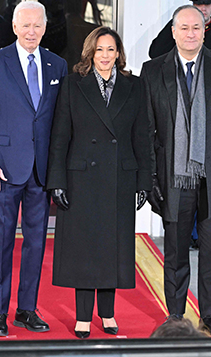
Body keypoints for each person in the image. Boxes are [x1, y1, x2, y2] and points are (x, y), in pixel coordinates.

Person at [141, 5, 211, 337]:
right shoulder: (152, 71)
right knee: (175, 251)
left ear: (205, 30)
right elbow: (146, 130)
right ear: (172, 32)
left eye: (196, 27)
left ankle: (210, 318)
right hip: (173, 176)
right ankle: (175, 316)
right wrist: (152, 178)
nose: (190, 33)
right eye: (183, 28)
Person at [47, 27, 151, 338]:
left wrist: (144, 180)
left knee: (112, 248)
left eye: (111, 50)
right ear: (90, 53)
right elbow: (60, 136)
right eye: (100, 50)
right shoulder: (73, 84)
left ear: (119, 53)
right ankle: (82, 316)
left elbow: (142, 136)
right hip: (81, 177)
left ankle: (107, 314)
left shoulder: (135, 86)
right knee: (84, 249)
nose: (105, 56)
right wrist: (57, 181)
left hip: (119, 177)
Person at [0, 1, 68, 337]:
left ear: (45, 27)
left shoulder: (58, 65)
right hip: (4, 168)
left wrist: (59, 169)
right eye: (25, 25)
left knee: (36, 242)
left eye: (37, 25)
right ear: (14, 27)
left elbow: (62, 123)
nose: (31, 32)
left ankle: (26, 309)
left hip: (41, 172)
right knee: (1, 242)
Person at [61, 0, 99, 73]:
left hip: (64, 72)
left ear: (64, 9)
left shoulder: (57, 29)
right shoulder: (94, 30)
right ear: (80, 9)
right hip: (86, 72)